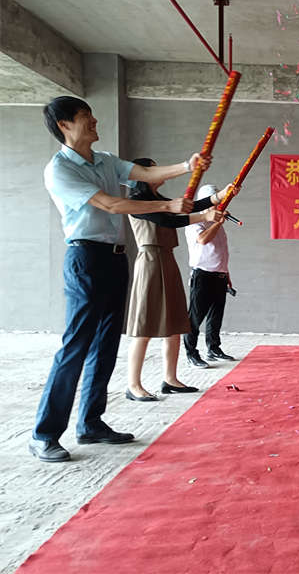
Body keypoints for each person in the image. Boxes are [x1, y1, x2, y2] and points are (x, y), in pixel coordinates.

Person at [31, 96, 209, 462]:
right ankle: (44, 434)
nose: (94, 121)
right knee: (76, 346)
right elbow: (110, 204)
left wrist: (187, 166)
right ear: (64, 125)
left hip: (115, 259)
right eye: (86, 116)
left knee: (106, 345)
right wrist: (166, 205)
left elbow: (145, 174)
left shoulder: (105, 161)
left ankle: (91, 423)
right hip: (85, 259)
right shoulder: (60, 169)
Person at [126, 158, 235, 400]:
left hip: (167, 259)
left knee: (175, 323)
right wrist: (205, 216)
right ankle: (133, 385)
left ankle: (170, 379)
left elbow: (188, 207)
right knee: (144, 326)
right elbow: (169, 220)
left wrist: (219, 197)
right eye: (152, 169)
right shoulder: (136, 202)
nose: (159, 172)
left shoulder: (160, 200)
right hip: (150, 261)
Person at [183, 184, 237, 368]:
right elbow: (203, 239)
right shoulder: (195, 221)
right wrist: (217, 223)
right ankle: (191, 354)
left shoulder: (217, 223)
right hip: (202, 275)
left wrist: (226, 273)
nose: (218, 205)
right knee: (195, 318)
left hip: (219, 275)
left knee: (215, 315)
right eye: (214, 201)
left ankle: (213, 348)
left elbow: (220, 252)